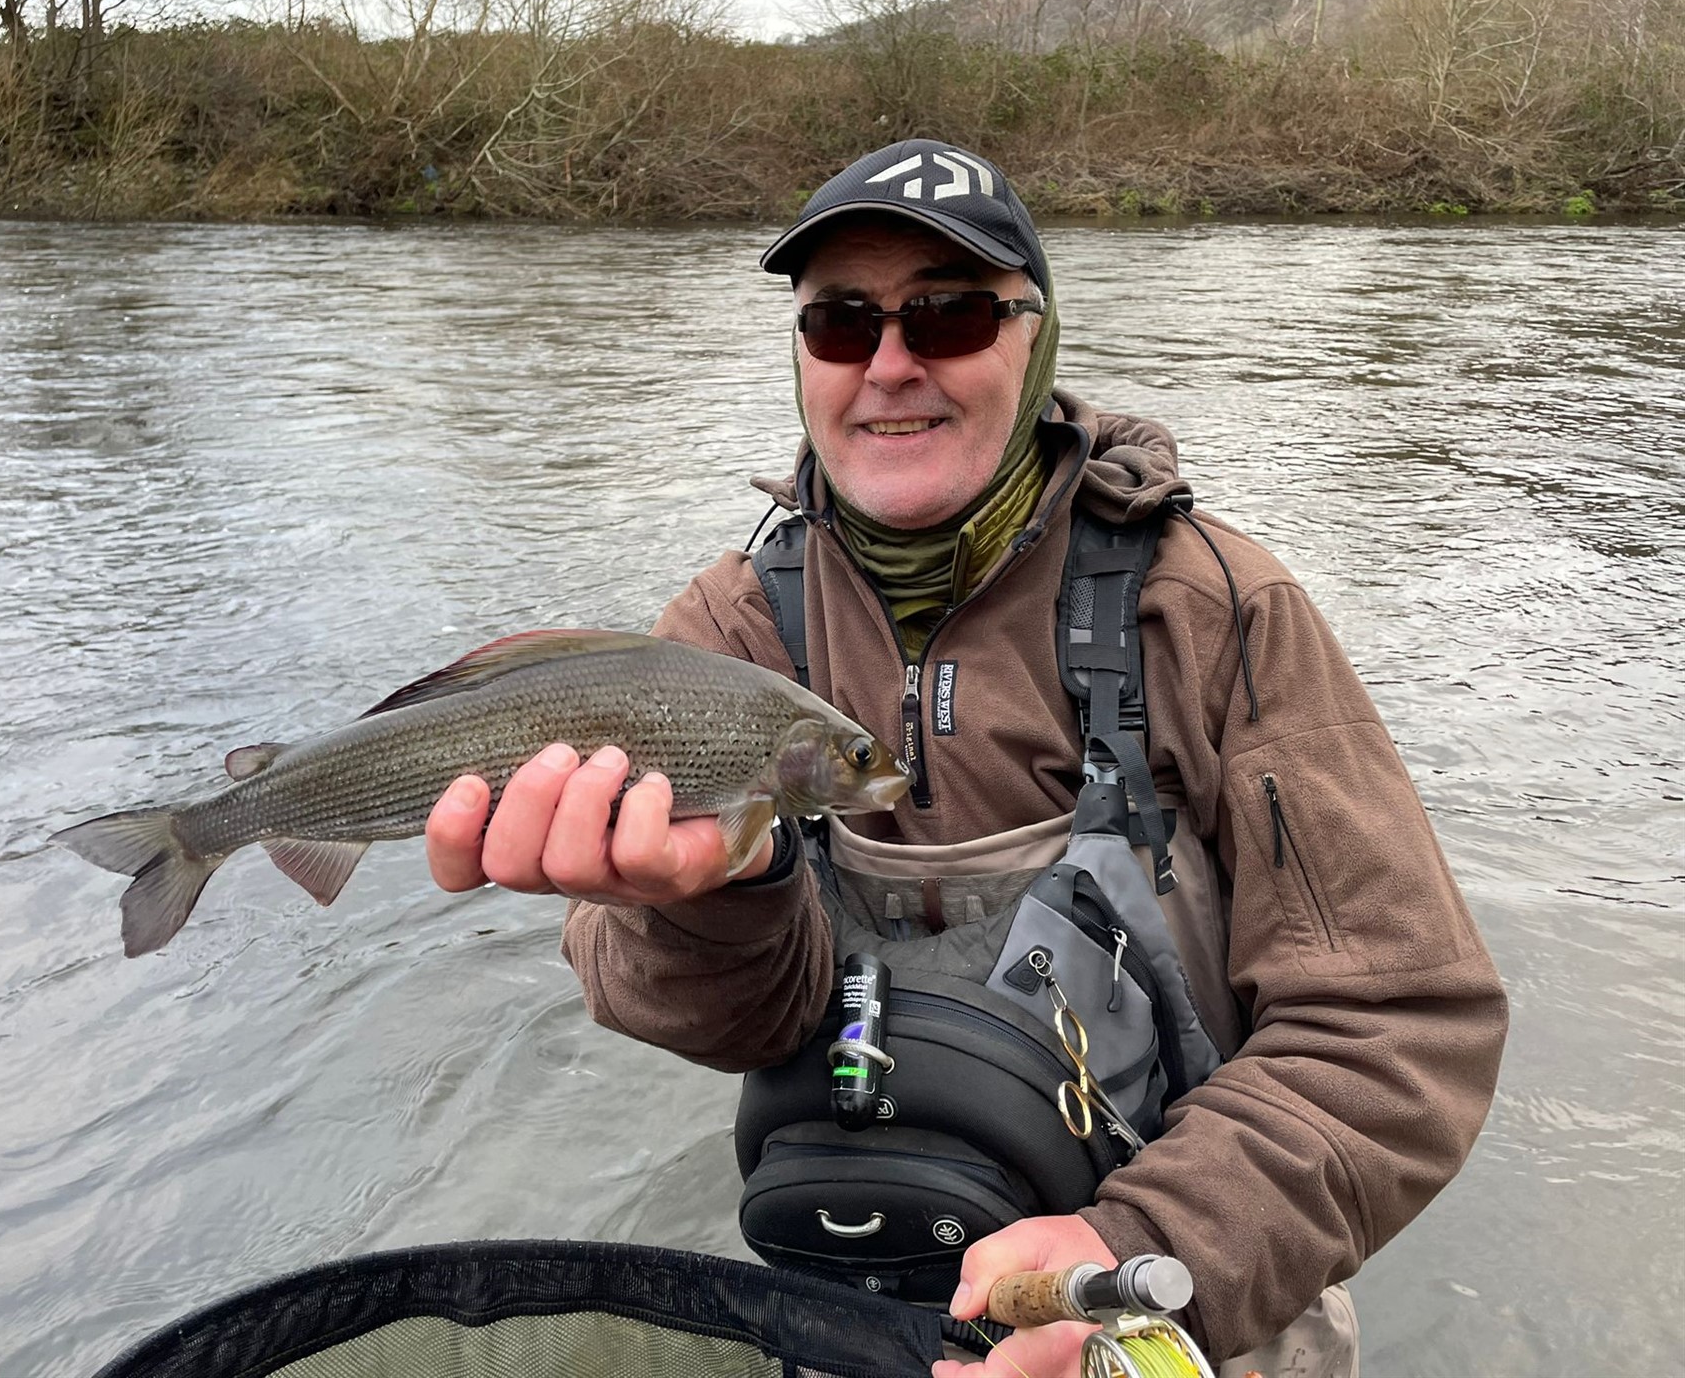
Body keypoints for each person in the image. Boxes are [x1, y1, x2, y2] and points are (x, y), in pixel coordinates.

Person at [423, 138, 1509, 1378]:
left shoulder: (1214, 610)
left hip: (1170, 1304)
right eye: (841, 321)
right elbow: (723, 1018)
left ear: (1033, 342)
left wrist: (1134, 1257)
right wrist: (705, 907)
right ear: (801, 356)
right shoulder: (727, 630)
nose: (890, 366)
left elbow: (1400, 1031)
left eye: (947, 313)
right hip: (847, 1304)